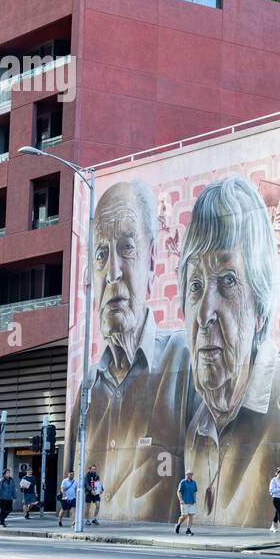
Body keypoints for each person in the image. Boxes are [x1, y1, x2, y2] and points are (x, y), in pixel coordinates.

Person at [179, 176, 280, 530]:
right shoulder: (198, 425)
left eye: (227, 281)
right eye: (195, 285)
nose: (205, 312)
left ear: (260, 307)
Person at [81, 181, 196, 523]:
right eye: (101, 255)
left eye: (126, 248)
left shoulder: (186, 358)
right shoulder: (89, 384)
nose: (112, 272)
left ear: (152, 263)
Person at [176, 470, 197, 536]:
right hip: (184, 502)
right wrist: (181, 500)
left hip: (191, 502)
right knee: (184, 516)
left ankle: (188, 530)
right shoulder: (183, 482)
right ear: (186, 475)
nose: (190, 475)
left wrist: (194, 499)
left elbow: (194, 492)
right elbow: (179, 492)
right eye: (189, 474)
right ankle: (178, 524)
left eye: (191, 474)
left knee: (191, 516)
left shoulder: (194, 483)